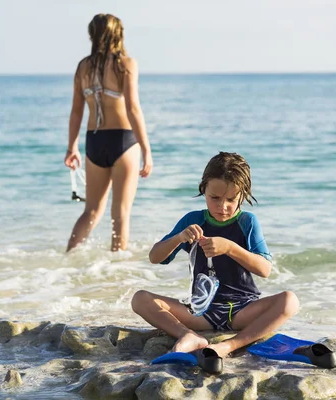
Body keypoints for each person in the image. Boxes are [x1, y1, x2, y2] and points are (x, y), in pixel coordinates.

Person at [131, 152, 299, 360]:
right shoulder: (193, 220)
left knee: (289, 301)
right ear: (204, 190)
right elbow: (155, 257)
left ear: (243, 195)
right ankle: (189, 336)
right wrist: (179, 238)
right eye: (215, 198)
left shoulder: (247, 222)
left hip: (242, 310)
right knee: (140, 299)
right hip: (200, 312)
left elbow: (264, 269)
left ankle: (229, 345)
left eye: (231, 199)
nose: (222, 206)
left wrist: (230, 248)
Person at [64, 13, 152, 252]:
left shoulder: (83, 67)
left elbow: (76, 112)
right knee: (120, 212)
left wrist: (72, 147)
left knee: (91, 210)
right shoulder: (125, 64)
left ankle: (67, 259)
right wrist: (146, 149)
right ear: (118, 34)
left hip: (94, 141)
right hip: (123, 139)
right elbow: (133, 108)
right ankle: (117, 272)